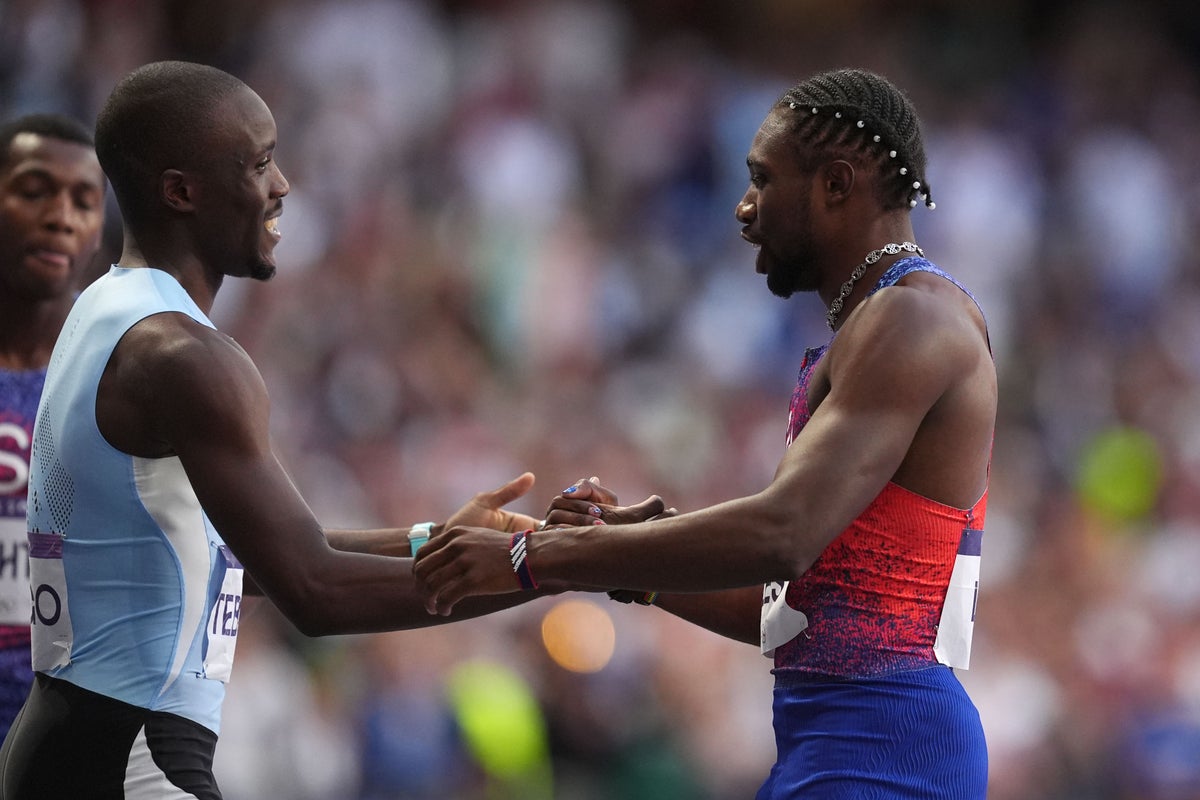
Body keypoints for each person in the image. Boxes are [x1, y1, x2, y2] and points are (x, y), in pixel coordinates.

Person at [0, 61, 658, 800]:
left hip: (74, 742)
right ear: (181, 191)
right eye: (258, 163)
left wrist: (447, 542)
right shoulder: (187, 358)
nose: (282, 186)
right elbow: (313, 590)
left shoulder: (105, 312)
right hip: (133, 760)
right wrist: (557, 565)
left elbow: (228, 558)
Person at [414, 68, 997, 799]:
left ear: (837, 185)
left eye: (761, 179)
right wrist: (629, 566)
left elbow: (784, 532)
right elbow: (801, 613)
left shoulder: (910, 322)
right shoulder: (880, 324)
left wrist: (545, 556)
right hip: (849, 744)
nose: (744, 208)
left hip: (884, 752)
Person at [0, 113, 106, 742]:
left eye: (83, 201)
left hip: (66, 740)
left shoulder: (128, 375)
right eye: (35, 190)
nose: (61, 218)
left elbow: (236, 554)